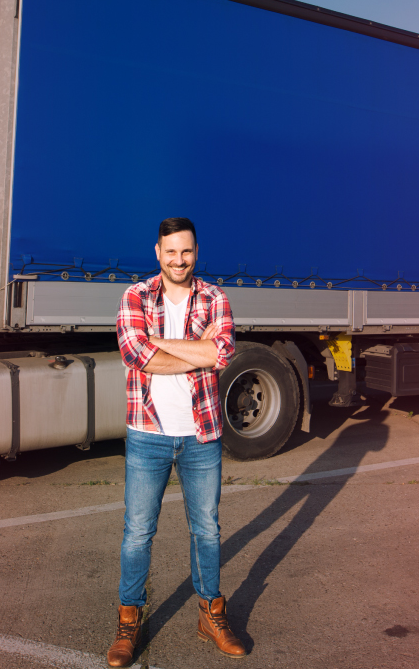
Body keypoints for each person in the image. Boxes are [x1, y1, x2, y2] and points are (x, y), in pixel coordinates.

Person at [108, 217, 246, 667]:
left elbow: (223, 352)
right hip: (148, 434)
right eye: (171, 251)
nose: (179, 260)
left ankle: (211, 614)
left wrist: (159, 342)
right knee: (137, 533)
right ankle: (129, 621)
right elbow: (135, 353)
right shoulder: (135, 296)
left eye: (186, 251)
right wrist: (196, 351)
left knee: (206, 529)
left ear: (196, 252)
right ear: (158, 252)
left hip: (201, 434)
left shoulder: (214, 297)